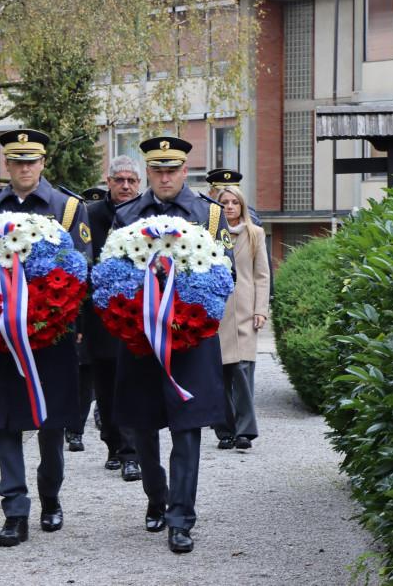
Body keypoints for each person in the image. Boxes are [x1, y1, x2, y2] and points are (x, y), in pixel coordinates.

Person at [0, 128, 92, 547]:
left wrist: (50, 314)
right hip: (1, 335)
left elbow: (80, 270)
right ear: (7, 164)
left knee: (50, 420)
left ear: (42, 163)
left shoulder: (70, 208)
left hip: (49, 334)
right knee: (5, 422)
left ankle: (50, 497)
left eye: (31, 160)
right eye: (16, 160)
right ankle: (15, 511)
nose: (24, 167)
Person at [111, 136, 235, 554]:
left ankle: (181, 518)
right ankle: (155, 499)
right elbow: (112, 271)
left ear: (186, 171)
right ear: (148, 171)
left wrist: (186, 305)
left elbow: (225, 274)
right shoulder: (126, 213)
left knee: (187, 428)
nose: (164, 177)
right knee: (144, 424)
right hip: (142, 338)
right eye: (157, 169)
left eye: (172, 169)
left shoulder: (211, 215)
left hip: (190, 339)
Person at [80, 157, 143, 482]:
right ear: (108, 181)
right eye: (120, 180)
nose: (126, 186)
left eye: (132, 180)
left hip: (140, 319)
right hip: (101, 319)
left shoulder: (149, 215)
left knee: (132, 384)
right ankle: (113, 446)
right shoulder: (90, 216)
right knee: (105, 389)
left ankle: (131, 454)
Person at [212, 185, 271, 450]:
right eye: (224, 202)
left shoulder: (255, 233)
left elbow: (262, 275)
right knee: (220, 373)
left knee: (243, 371)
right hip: (219, 313)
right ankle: (225, 431)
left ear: (242, 206)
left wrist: (261, 310)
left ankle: (245, 432)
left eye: (235, 202)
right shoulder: (210, 235)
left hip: (247, 311)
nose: (230, 207)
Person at [64, 187, 109, 453]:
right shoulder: (77, 234)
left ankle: (103, 417)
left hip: (105, 311)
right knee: (83, 376)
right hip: (82, 311)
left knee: (100, 373)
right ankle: (75, 429)